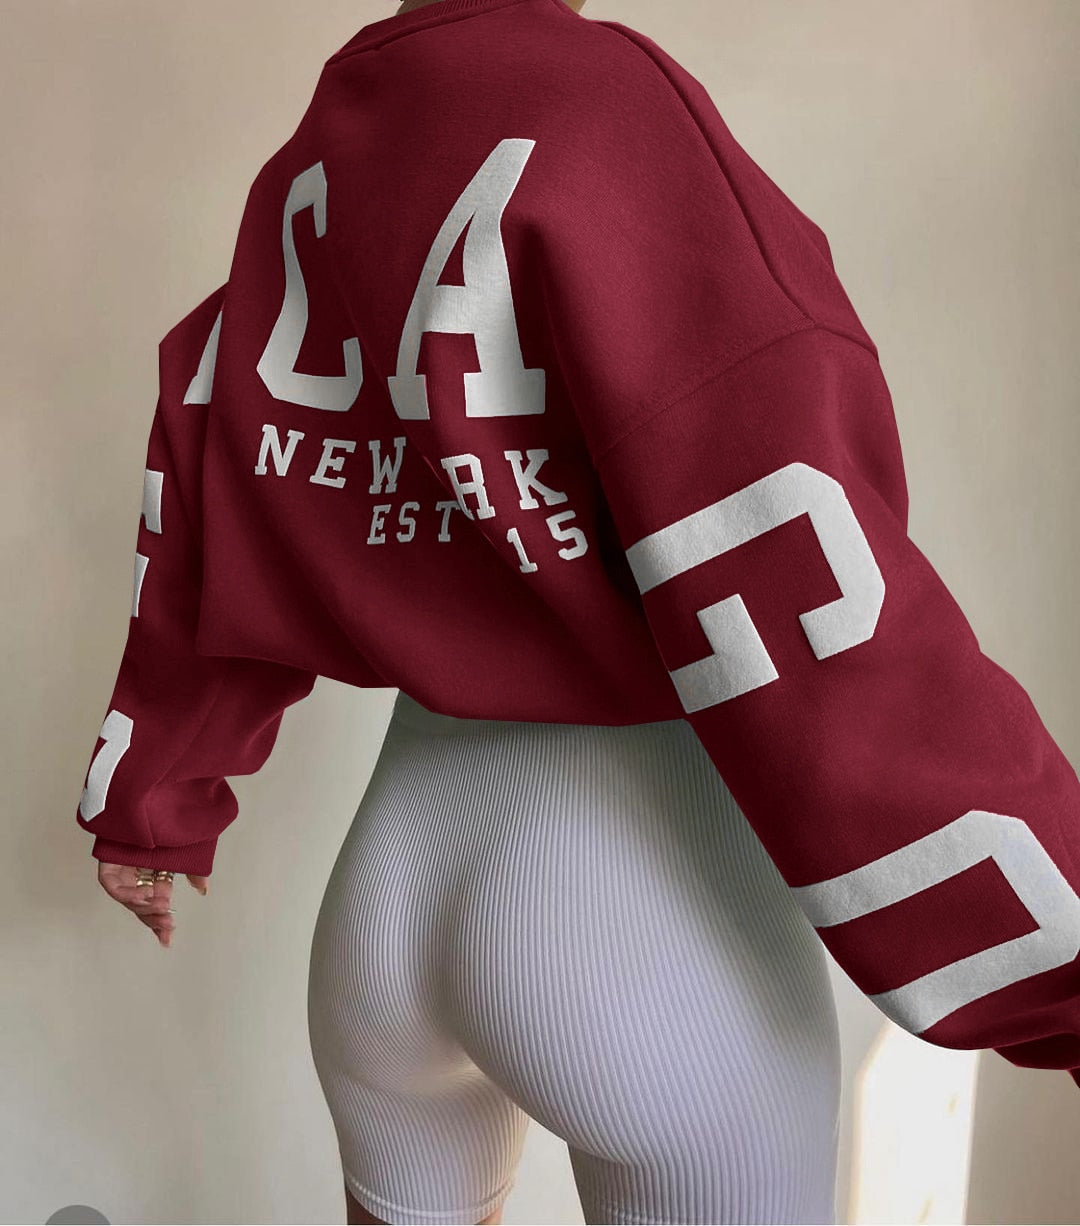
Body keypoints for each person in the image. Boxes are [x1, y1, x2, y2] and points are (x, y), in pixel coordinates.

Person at [77, 0, 1080, 1223]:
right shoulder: (607, 109)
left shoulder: (318, 154)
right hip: (635, 889)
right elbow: (795, 551)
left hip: (392, 883)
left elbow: (218, 463)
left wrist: (151, 800)